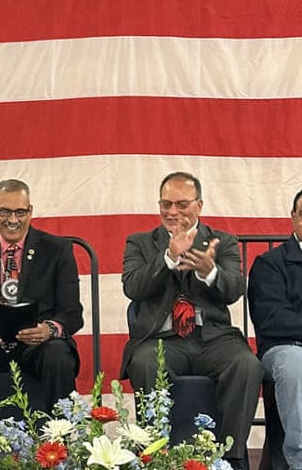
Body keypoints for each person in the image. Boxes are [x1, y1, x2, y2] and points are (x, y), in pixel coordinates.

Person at [121, 171, 262, 469]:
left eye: (182, 204)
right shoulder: (140, 243)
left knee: (247, 365)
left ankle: (228, 458)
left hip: (213, 339)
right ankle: (154, 457)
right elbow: (132, 286)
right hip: (161, 341)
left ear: (199, 205)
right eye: (166, 204)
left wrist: (209, 271)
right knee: (145, 363)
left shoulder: (222, 241)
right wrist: (168, 257)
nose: (173, 212)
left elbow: (235, 289)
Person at [0, 179, 83, 408]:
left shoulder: (58, 250)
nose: (12, 219)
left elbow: (72, 314)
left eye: (20, 212)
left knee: (58, 354)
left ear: (30, 211)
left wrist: (48, 330)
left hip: (38, 347)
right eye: (5, 211)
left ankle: (59, 436)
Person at [247, 188, 302, 469]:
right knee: (296, 364)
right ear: (293, 218)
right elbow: (271, 319)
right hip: (285, 350)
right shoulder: (270, 264)